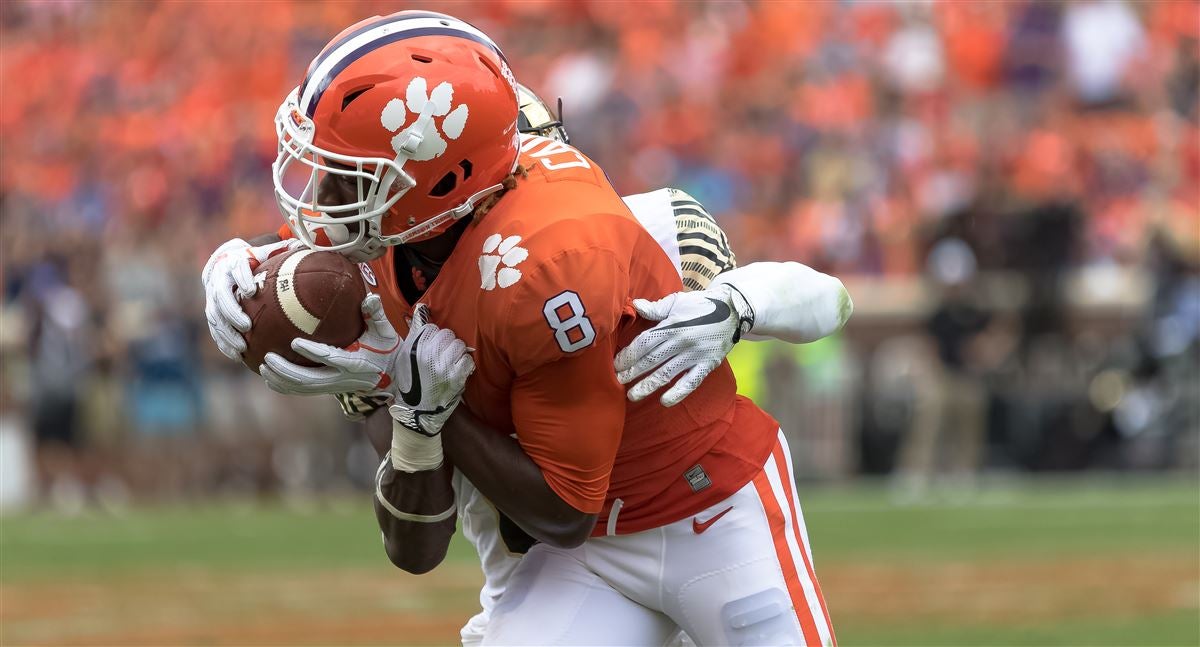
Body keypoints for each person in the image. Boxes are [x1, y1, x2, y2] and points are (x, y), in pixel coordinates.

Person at [202, 11, 845, 645]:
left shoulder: (551, 261)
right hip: (573, 555)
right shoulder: (410, 231)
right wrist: (240, 260)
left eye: (350, 174)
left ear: (440, 178)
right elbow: (416, 544)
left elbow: (565, 508)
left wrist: (412, 393)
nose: (323, 194)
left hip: (704, 505)